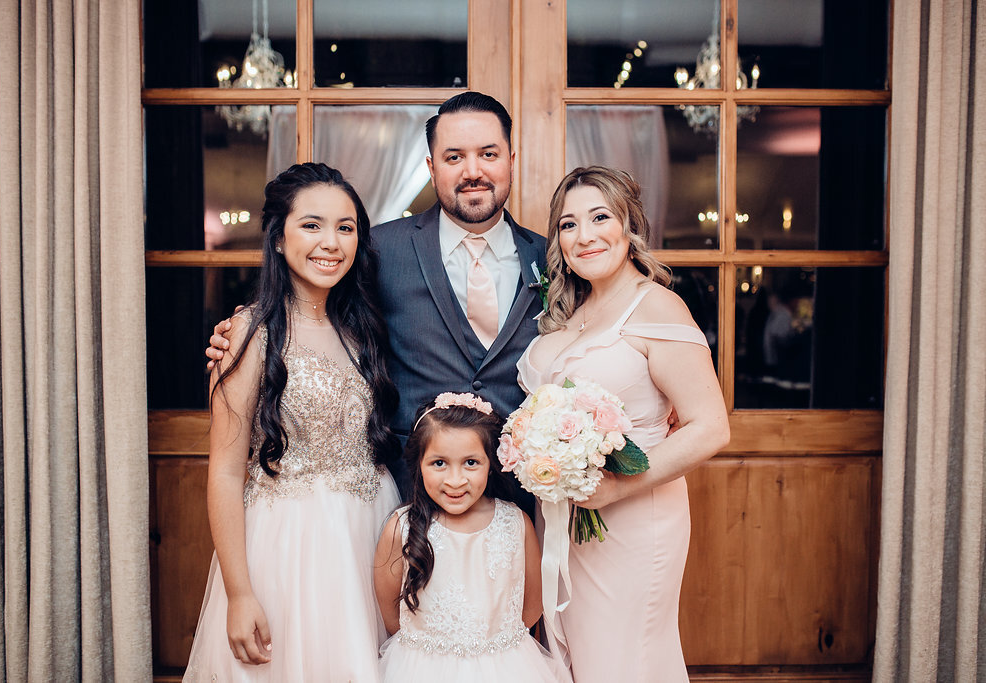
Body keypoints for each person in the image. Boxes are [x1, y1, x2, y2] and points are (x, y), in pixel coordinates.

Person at [207, 92, 546, 509]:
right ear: (431, 167)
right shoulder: (378, 250)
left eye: (488, 154)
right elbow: (315, 311)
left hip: (526, 495)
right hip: (408, 500)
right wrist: (247, 329)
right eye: (454, 157)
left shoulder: (551, 259)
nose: (472, 171)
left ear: (512, 159)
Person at [183, 163, 400, 682]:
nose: (331, 242)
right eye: (312, 225)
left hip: (368, 532)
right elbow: (225, 473)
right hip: (291, 544)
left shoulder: (361, 330)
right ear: (278, 238)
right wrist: (239, 593)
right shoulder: (248, 332)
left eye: (345, 228)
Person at [516, 166, 730, 682]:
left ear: (628, 224)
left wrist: (616, 487)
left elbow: (710, 427)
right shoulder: (567, 314)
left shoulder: (658, 306)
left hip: (633, 519)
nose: (584, 236)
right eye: (568, 225)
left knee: (624, 658)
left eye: (599, 217)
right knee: (581, 657)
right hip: (564, 518)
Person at [373, 393, 571, 683]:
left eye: (471, 463)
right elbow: (391, 614)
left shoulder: (515, 522)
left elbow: (530, 607)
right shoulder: (401, 528)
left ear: (490, 463)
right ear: (419, 464)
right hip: (421, 670)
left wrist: (493, 649)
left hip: (506, 668)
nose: (455, 480)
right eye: (439, 463)